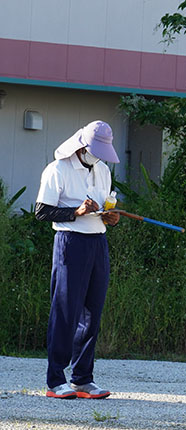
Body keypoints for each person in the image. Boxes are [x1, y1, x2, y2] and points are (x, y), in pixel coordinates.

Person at [35, 120, 121, 399]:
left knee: (92, 312)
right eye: (95, 150)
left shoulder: (104, 170)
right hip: (70, 242)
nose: (98, 156)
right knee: (65, 311)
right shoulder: (57, 169)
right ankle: (55, 381)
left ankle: (82, 379)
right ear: (82, 146)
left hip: (98, 241)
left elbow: (106, 206)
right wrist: (76, 211)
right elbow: (41, 212)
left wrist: (112, 217)